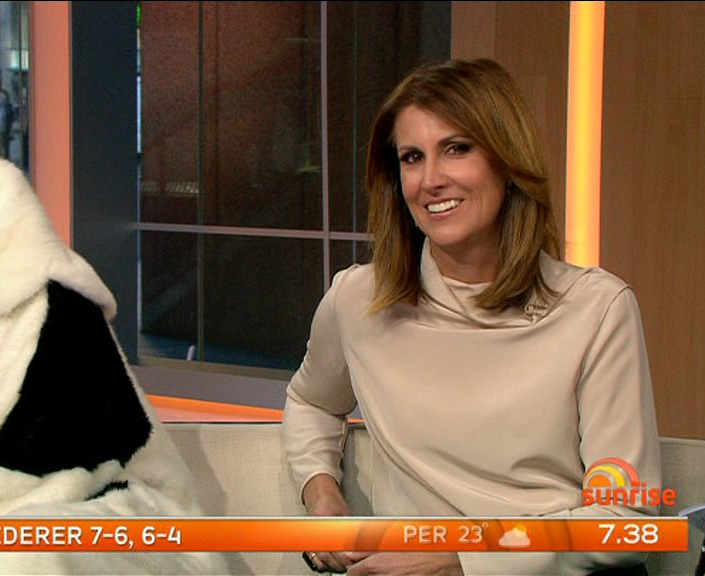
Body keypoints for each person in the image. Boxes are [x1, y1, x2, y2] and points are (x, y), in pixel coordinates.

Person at [283, 58, 661, 576]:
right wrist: (321, 494)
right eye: (412, 158)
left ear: (507, 161)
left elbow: (626, 521)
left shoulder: (596, 308)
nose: (431, 180)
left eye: (457, 149)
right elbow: (310, 400)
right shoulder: (358, 299)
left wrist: (461, 559)